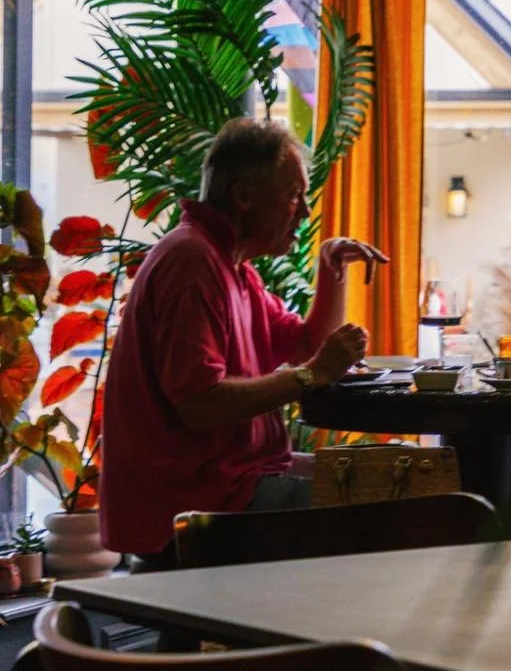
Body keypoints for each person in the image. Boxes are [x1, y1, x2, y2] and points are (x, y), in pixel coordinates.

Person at [100, 118, 387, 567]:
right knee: (388, 513)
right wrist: (313, 375)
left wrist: (331, 269)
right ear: (243, 196)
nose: (304, 212)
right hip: (191, 505)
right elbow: (200, 403)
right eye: (293, 195)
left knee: (394, 480)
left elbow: (306, 345)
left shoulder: (233, 268)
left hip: (232, 483)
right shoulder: (191, 261)